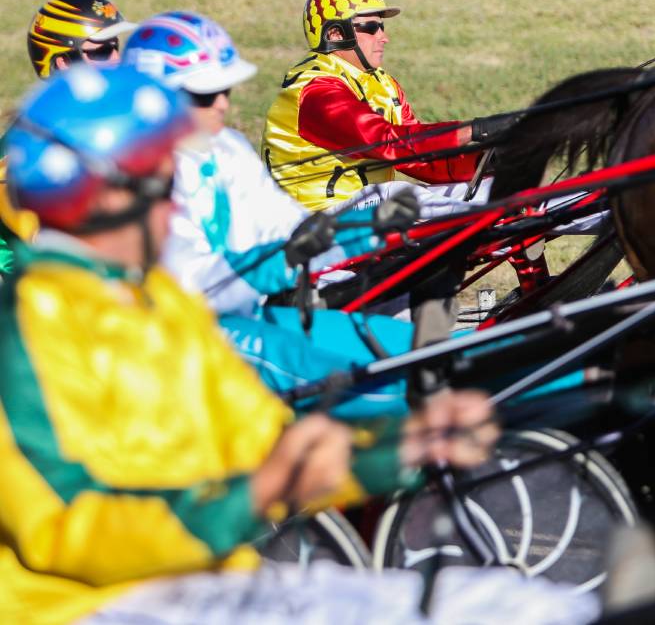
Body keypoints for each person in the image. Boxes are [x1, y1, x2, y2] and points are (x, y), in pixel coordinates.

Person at [0, 64, 596, 625]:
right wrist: (260, 493)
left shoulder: (161, 306)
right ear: (107, 198)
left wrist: (396, 445)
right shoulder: (25, 333)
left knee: (515, 606)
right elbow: (71, 531)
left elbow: (264, 441)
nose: (177, 204)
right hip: (85, 608)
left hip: (202, 581)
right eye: (164, 183)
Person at [122, 11, 424, 413]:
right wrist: (279, 261)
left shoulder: (224, 147)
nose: (222, 104)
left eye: (225, 88)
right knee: (399, 390)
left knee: (423, 349)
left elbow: (285, 224)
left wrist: (355, 230)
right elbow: (188, 289)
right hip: (188, 338)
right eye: (203, 95)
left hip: (251, 317)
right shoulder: (130, 174)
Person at [262, 0, 511, 216]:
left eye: (382, 26)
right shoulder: (316, 91)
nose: (383, 37)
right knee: (397, 195)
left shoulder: (383, 85)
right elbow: (386, 143)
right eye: (371, 27)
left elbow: (418, 159)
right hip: (309, 224)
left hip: (363, 214)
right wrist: (476, 129)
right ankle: (474, 222)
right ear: (335, 35)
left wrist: (486, 162)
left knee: (505, 189)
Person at [0, 0, 138, 276]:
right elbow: (55, 257)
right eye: (100, 51)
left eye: (115, 47)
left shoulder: (106, 127)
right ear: (63, 62)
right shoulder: (25, 153)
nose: (115, 60)